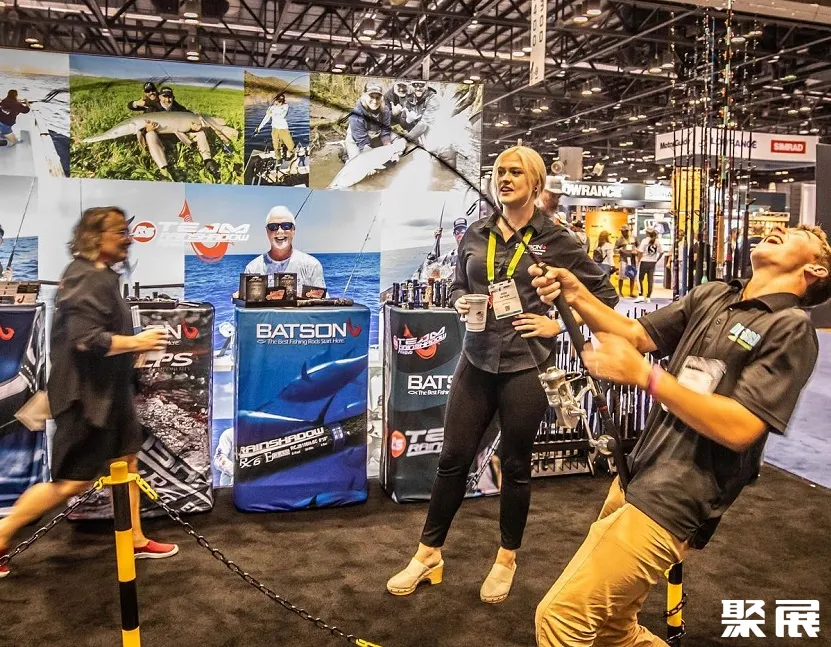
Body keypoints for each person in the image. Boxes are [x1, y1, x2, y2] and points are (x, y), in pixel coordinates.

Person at [529, 223, 831, 647]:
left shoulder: (790, 327)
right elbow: (636, 335)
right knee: (615, 629)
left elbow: (741, 428)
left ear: (816, 269)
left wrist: (647, 377)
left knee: (562, 618)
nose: (780, 228)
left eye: (800, 232)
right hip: (638, 473)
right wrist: (577, 293)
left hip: (680, 496)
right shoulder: (715, 294)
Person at [386, 145, 617, 604]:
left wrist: (556, 324)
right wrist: (459, 301)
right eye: (500, 172)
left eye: (516, 172)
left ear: (536, 183)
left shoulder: (558, 239)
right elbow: (458, 284)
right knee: (452, 459)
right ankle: (428, 554)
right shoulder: (476, 232)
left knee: (514, 465)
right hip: (475, 360)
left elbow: (605, 296)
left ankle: (507, 558)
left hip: (526, 364)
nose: (505, 179)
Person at [0, 207, 180, 579]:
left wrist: (131, 350)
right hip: (86, 401)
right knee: (71, 482)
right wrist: (138, 342)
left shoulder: (101, 275)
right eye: (119, 232)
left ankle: (135, 539)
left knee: (127, 462)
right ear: (96, 238)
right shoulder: (86, 277)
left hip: (110, 396)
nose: (128, 238)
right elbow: (87, 340)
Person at [142, 86, 219, 181]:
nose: (167, 100)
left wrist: (195, 127)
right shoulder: (151, 109)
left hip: (179, 136)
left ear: (173, 98)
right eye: (164, 96)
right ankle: (164, 169)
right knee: (149, 135)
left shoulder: (179, 109)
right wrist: (148, 129)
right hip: (161, 139)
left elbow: (192, 119)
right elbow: (141, 128)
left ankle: (208, 160)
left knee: (200, 133)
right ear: (160, 97)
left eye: (169, 97)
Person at [243, 206, 325, 293]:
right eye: (273, 226)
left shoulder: (312, 265)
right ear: (267, 231)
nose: (280, 231)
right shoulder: (252, 269)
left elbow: (322, 299)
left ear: (293, 230)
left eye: (286, 226)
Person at [401, 80, 456, 168]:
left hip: (441, 141)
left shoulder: (434, 99)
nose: (418, 88)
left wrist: (405, 140)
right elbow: (403, 124)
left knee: (449, 172)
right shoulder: (408, 100)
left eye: (421, 85)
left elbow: (424, 124)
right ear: (411, 85)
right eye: (415, 85)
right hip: (425, 142)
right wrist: (407, 120)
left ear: (426, 85)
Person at [344, 82, 395, 161]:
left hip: (375, 135)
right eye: (371, 97)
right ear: (364, 96)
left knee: (391, 152)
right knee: (360, 163)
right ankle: (347, 154)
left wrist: (389, 149)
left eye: (377, 97)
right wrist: (370, 159)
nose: (375, 101)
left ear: (381, 98)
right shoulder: (356, 115)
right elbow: (362, 142)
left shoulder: (385, 110)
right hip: (357, 139)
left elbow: (385, 131)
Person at [413, 217, 468, 281]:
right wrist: (437, 240)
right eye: (457, 232)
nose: (460, 234)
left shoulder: (475, 254)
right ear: (454, 234)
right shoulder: (450, 256)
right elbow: (431, 265)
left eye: (463, 231)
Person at [255, 94, 295, 164]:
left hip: (283, 129)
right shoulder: (271, 108)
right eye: (278, 101)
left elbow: (282, 116)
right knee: (276, 146)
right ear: (275, 100)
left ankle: (292, 154)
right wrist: (259, 128)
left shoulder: (285, 106)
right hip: (275, 129)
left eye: (281, 101)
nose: (279, 102)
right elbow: (266, 119)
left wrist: (270, 113)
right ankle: (278, 158)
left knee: (290, 145)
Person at [634, 227, 664, 303]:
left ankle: (641, 295)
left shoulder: (644, 241)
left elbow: (640, 252)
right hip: (652, 262)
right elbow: (662, 252)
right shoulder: (657, 242)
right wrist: (656, 259)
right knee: (650, 280)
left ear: (647, 233)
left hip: (644, 261)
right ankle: (648, 297)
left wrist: (638, 261)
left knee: (640, 278)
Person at [614, 224, 639, 297]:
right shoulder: (619, 239)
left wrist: (636, 251)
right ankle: (620, 292)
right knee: (621, 276)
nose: (623, 232)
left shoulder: (633, 238)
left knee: (632, 275)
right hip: (623, 259)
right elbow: (614, 249)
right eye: (622, 231)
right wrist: (619, 250)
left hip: (632, 258)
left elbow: (639, 247)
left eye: (624, 231)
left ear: (627, 231)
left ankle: (631, 292)